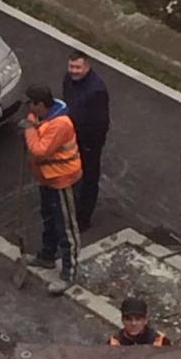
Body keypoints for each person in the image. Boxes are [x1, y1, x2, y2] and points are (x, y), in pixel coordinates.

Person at [20, 84, 82, 295]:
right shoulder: (40, 116)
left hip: (61, 179)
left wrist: (29, 128)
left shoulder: (60, 124)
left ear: (40, 104)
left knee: (66, 227)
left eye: (30, 103)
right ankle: (46, 256)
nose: (28, 107)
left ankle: (69, 273)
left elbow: (39, 150)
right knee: (48, 219)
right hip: (47, 179)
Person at [62, 50, 109, 232]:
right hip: (72, 137)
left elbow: (101, 121)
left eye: (78, 67)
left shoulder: (96, 90)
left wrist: (92, 144)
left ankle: (83, 219)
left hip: (89, 142)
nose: (74, 71)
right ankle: (72, 207)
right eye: (71, 66)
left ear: (87, 67)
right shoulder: (69, 79)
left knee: (89, 179)